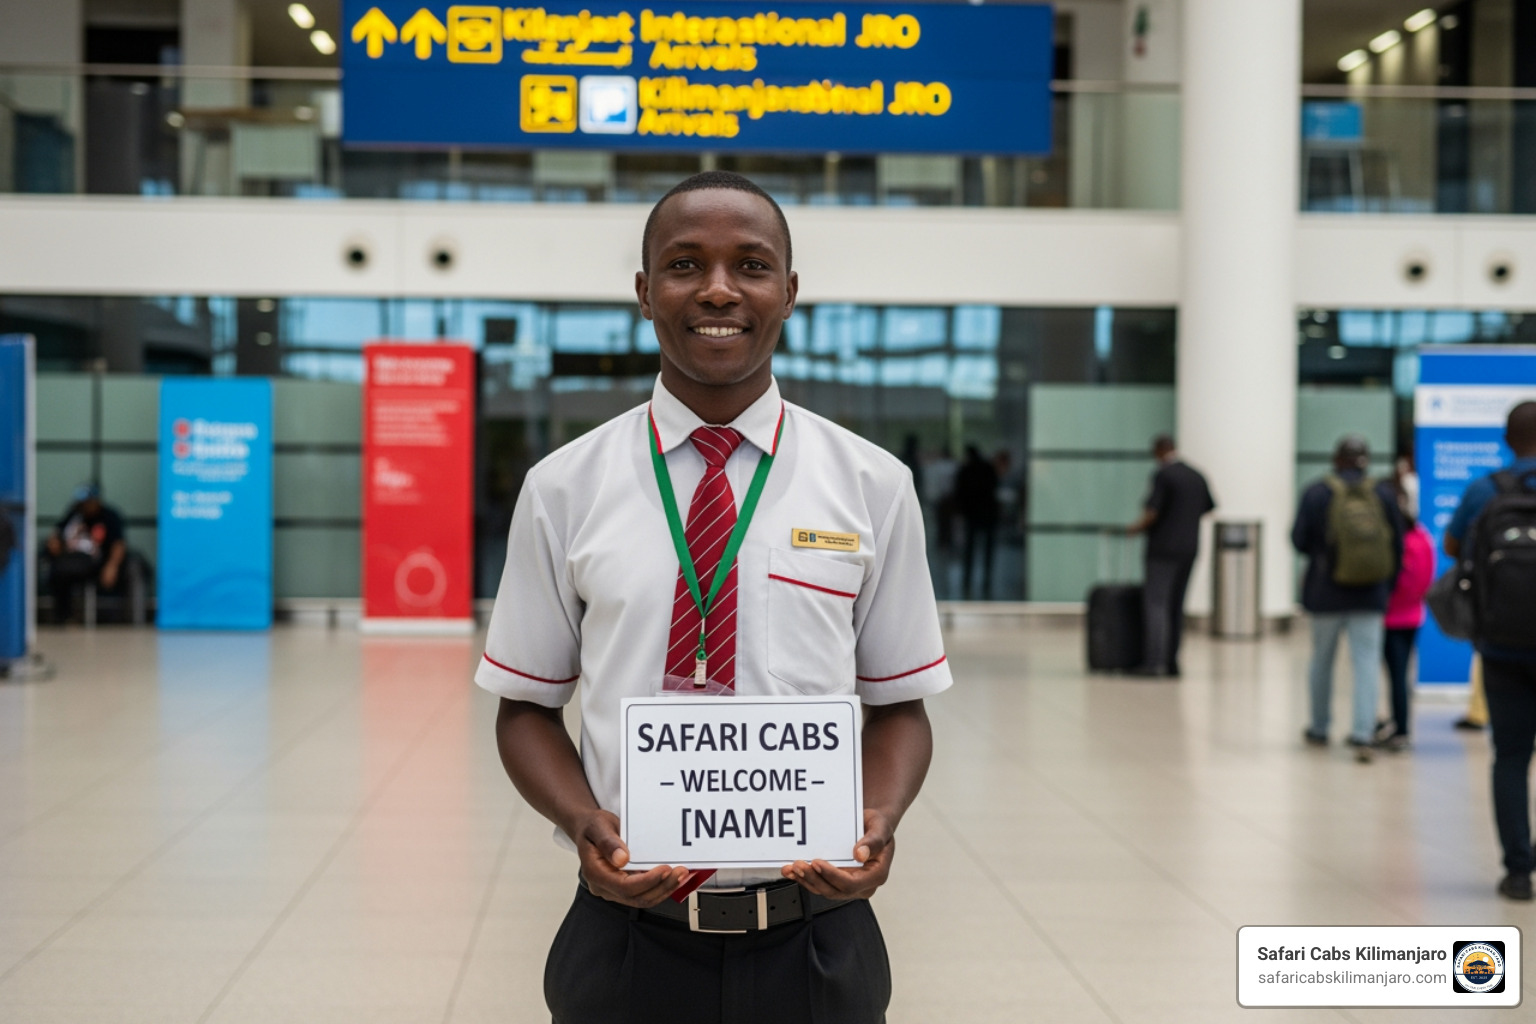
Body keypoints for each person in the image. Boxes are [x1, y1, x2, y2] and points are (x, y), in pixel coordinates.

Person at [476, 171, 952, 1023]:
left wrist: (879, 815)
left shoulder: (873, 484)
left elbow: (900, 705)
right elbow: (524, 708)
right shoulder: (564, 487)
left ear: (790, 292)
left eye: (752, 265)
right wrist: (586, 822)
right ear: (645, 292)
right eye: (686, 264)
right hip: (627, 943)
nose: (720, 290)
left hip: (818, 945)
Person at [1443, 401, 1536, 901]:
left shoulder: (1486, 489)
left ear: (1506, 438)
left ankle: (1519, 870)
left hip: (1501, 644)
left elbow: (1455, 546)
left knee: (1511, 756)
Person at [1291, 436, 1404, 764]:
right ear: (1366, 460)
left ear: (1336, 459)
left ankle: (1319, 727)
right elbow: (1398, 545)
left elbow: (1298, 539)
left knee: (1321, 662)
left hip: (1326, 593)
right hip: (1370, 594)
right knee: (1367, 663)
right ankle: (1363, 733)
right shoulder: (1382, 494)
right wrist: (1386, 585)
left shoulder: (1316, 492)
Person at [1126, 435, 1215, 678]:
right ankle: (1172, 661)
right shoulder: (1196, 475)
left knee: (1156, 605)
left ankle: (1154, 663)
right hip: (1189, 549)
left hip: (1163, 550)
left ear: (1158, 451)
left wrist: (1136, 528)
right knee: (1177, 606)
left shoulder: (1163, 475)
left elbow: (1152, 512)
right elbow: (1209, 506)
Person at [1378, 491, 1434, 751]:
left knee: (1392, 675)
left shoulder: (1392, 540)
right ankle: (1399, 724)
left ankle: (1399, 728)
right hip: (1414, 615)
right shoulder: (1422, 537)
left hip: (1389, 617)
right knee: (1402, 674)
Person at [41, 483, 125, 625]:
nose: (85, 505)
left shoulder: (109, 517)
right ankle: (64, 618)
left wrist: (112, 566)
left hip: (94, 562)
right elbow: (57, 533)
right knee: (58, 572)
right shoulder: (74, 514)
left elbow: (118, 544)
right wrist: (54, 542)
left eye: (88, 502)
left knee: (66, 570)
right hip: (69, 560)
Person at [953, 444, 999, 599]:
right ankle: (986, 580)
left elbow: (959, 492)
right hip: (985, 514)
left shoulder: (966, 470)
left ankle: (969, 580)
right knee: (986, 551)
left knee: (971, 551)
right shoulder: (986, 468)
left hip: (973, 514)